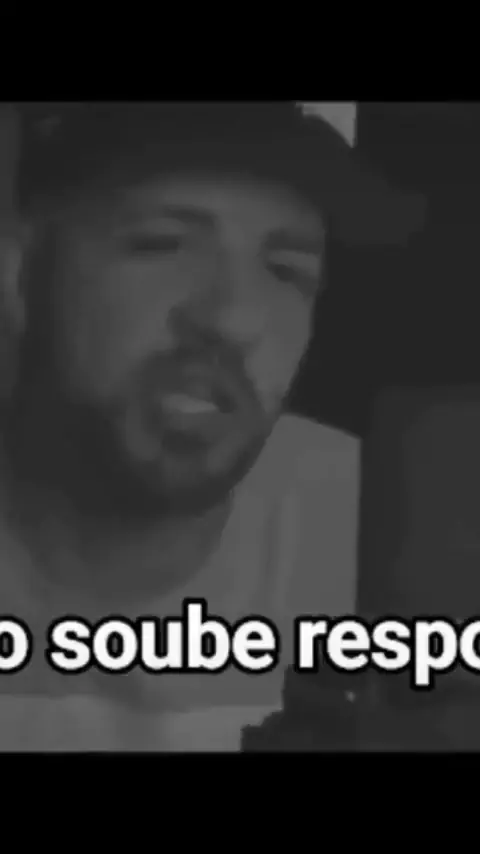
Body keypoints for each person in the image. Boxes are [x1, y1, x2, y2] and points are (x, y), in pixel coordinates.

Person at [0, 102, 425, 750]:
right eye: (162, 244)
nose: (232, 318)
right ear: (20, 270)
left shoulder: (388, 535)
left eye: (286, 272)